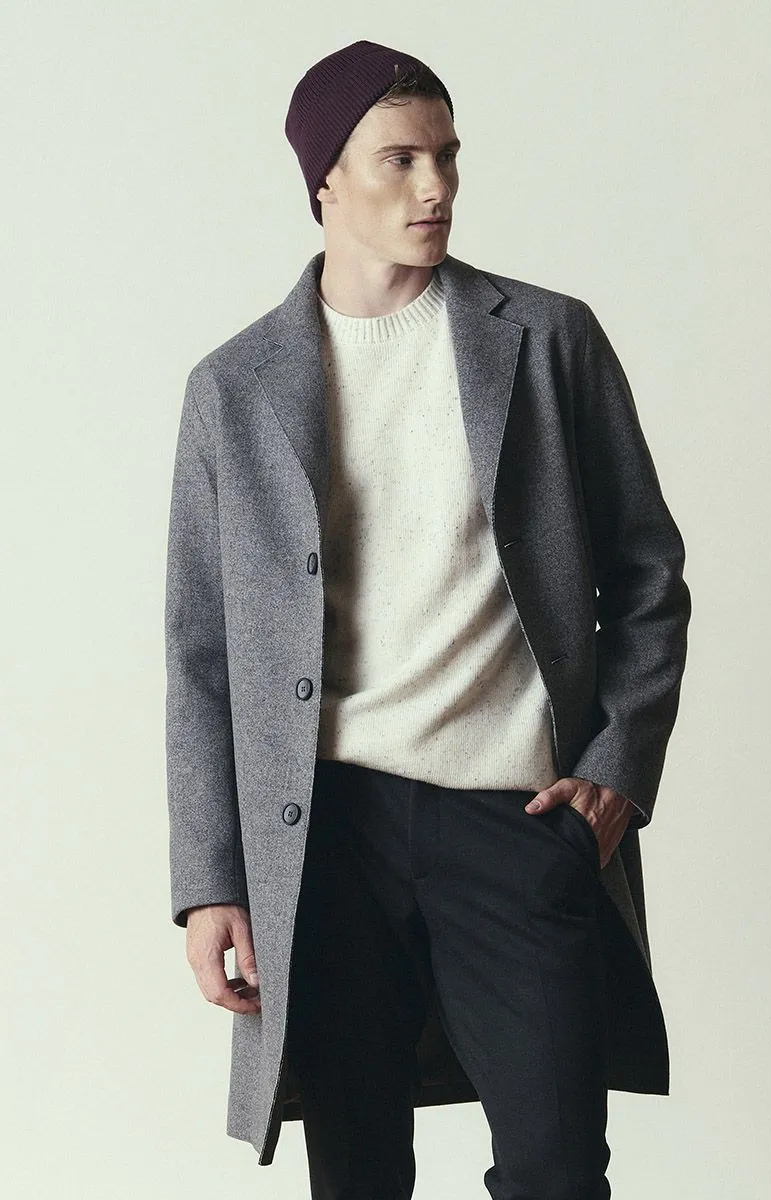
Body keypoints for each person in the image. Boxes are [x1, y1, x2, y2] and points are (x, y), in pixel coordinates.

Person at [165, 38, 691, 1198]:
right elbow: (202, 653)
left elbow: (648, 575)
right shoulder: (235, 389)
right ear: (325, 183)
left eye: (447, 156)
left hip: (516, 818)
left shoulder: (546, 341)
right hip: (326, 837)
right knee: (357, 1176)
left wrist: (616, 770)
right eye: (399, 159)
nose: (436, 185)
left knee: (557, 1168)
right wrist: (210, 881)